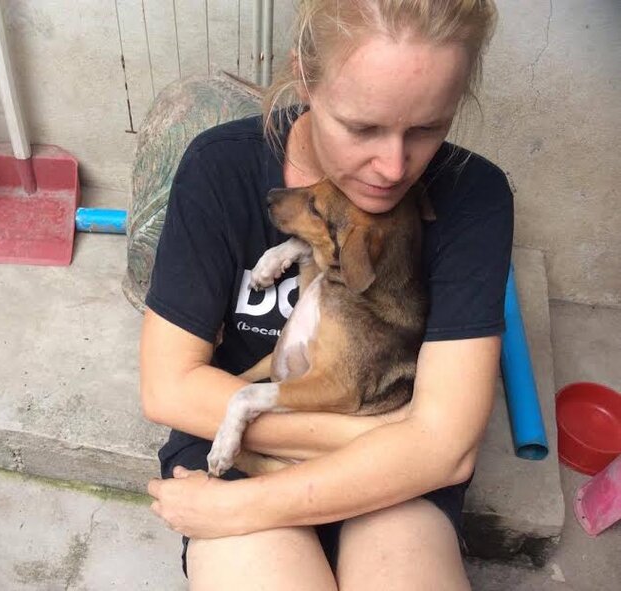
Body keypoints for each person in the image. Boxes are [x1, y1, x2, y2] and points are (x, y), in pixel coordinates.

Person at [141, 1, 512, 588]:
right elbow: (168, 389)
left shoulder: (474, 196)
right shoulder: (220, 168)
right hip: (277, 446)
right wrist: (393, 436)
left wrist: (242, 508)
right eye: (363, 127)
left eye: (427, 128)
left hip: (387, 473)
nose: (393, 168)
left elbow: (447, 449)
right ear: (306, 78)